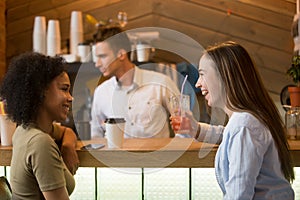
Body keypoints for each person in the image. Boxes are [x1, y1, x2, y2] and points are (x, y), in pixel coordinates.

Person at [170, 41, 295, 199]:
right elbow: (229, 136)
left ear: (225, 76)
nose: (197, 83)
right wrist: (196, 129)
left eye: (202, 74)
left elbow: (239, 195)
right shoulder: (244, 122)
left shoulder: (244, 125)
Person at [0, 52, 79, 200]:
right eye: (64, 89)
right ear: (40, 91)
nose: (70, 97)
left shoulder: (24, 130)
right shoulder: (41, 143)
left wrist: (68, 146)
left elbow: (65, 131)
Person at [91, 26, 180, 138]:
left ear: (121, 54)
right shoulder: (101, 92)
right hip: (116, 156)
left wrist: (174, 151)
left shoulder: (161, 83)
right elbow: (96, 135)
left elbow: (185, 126)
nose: (97, 64)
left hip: (156, 155)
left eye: (102, 56)